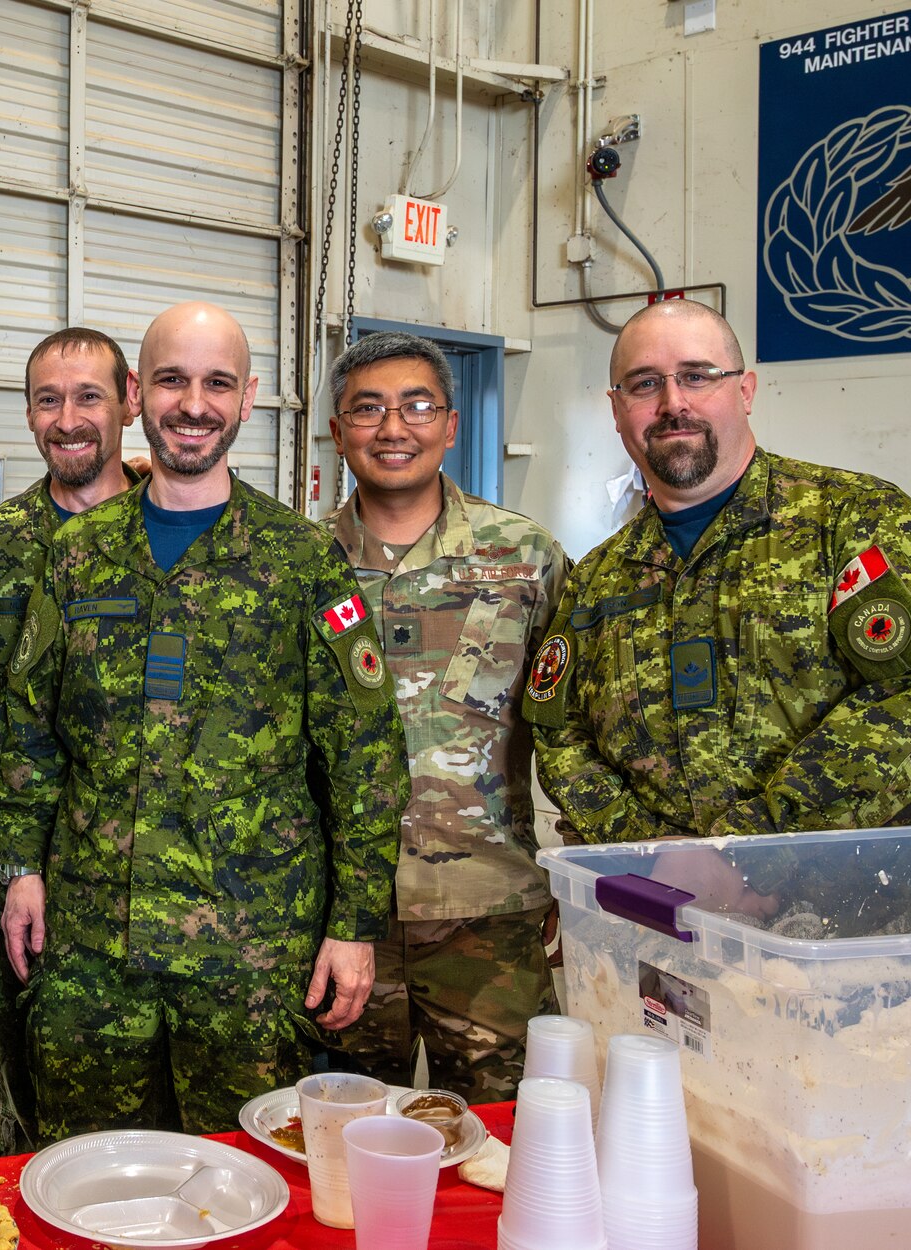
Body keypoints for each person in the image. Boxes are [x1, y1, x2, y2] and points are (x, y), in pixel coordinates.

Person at [0, 302, 409, 1138]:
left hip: (251, 956)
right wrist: (18, 871)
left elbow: (364, 751)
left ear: (249, 398)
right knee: (94, 1180)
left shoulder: (300, 560)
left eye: (217, 383)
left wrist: (354, 926)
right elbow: (26, 730)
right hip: (92, 951)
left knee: (251, 1182)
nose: (194, 404)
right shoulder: (75, 556)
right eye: (173, 380)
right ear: (140, 393)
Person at [524, 300, 911, 912]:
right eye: (645, 384)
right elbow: (559, 733)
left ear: (744, 390)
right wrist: (655, 861)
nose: (673, 403)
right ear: (617, 411)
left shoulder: (855, 522)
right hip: (663, 928)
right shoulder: (597, 580)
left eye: (697, 375)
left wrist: (750, 853)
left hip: (858, 927)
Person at [321, 331, 563, 1103]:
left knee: (511, 1141)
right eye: (368, 408)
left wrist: (580, 869)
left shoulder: (525, 559)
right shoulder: (299, 562)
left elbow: (576, 724)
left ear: (451, 425)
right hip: (336, 919)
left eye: (418, 405)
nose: (394, 427)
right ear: (337, 430)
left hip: (489, 913)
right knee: (344, 1141)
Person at [0, 326, 145, 1153]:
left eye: (89, 395)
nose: (68, 418)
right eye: (48, 400)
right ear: (27, 414)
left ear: (128, 401)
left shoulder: (186, 531)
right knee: (35, 1122)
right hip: (27, 884)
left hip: (167, 884)